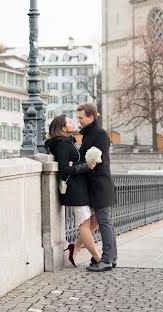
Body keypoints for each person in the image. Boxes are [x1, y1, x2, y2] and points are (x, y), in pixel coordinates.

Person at [45, 114, 101, 267]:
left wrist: (83, 163)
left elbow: (72, 163)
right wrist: (85, 166)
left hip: (81, 187)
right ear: (63, 128)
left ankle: (74, 249)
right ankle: (98, 258)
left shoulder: (67, 141)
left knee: (95, 220)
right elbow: (64, 169)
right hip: (75, 190)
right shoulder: (62, 143)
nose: (73, 123)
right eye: (69, 122)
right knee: (84, 223)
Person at [77, 102, 117, 272]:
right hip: (98, 184)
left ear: (91, 117)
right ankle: (111, 259)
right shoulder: (90, 134)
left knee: (104, 222)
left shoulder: (99, 134)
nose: (79, 121)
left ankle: (107, 259)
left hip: (100, 184)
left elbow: (97, 161)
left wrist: (80, 165)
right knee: (105, 222)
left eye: (81, 117)